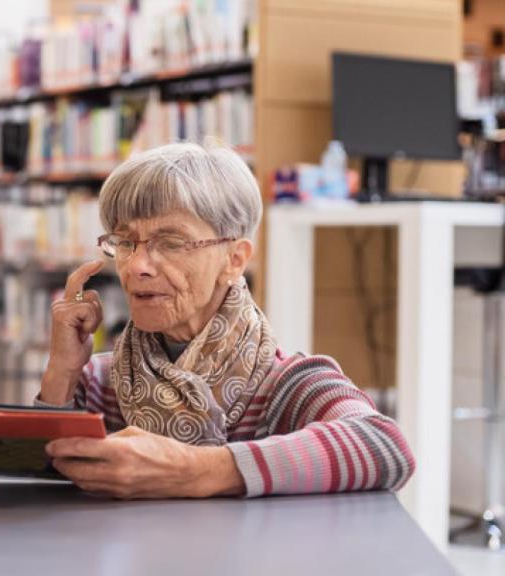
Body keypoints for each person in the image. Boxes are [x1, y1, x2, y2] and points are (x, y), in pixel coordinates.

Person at [39, 143, 415, 498]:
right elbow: (33, 483)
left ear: (235, 260)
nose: (137, 266)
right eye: (125, 242)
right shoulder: (99, 382)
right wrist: (61, 371)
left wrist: (193, 470)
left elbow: (385, 448)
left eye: (170, 243)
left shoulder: (285, 384)